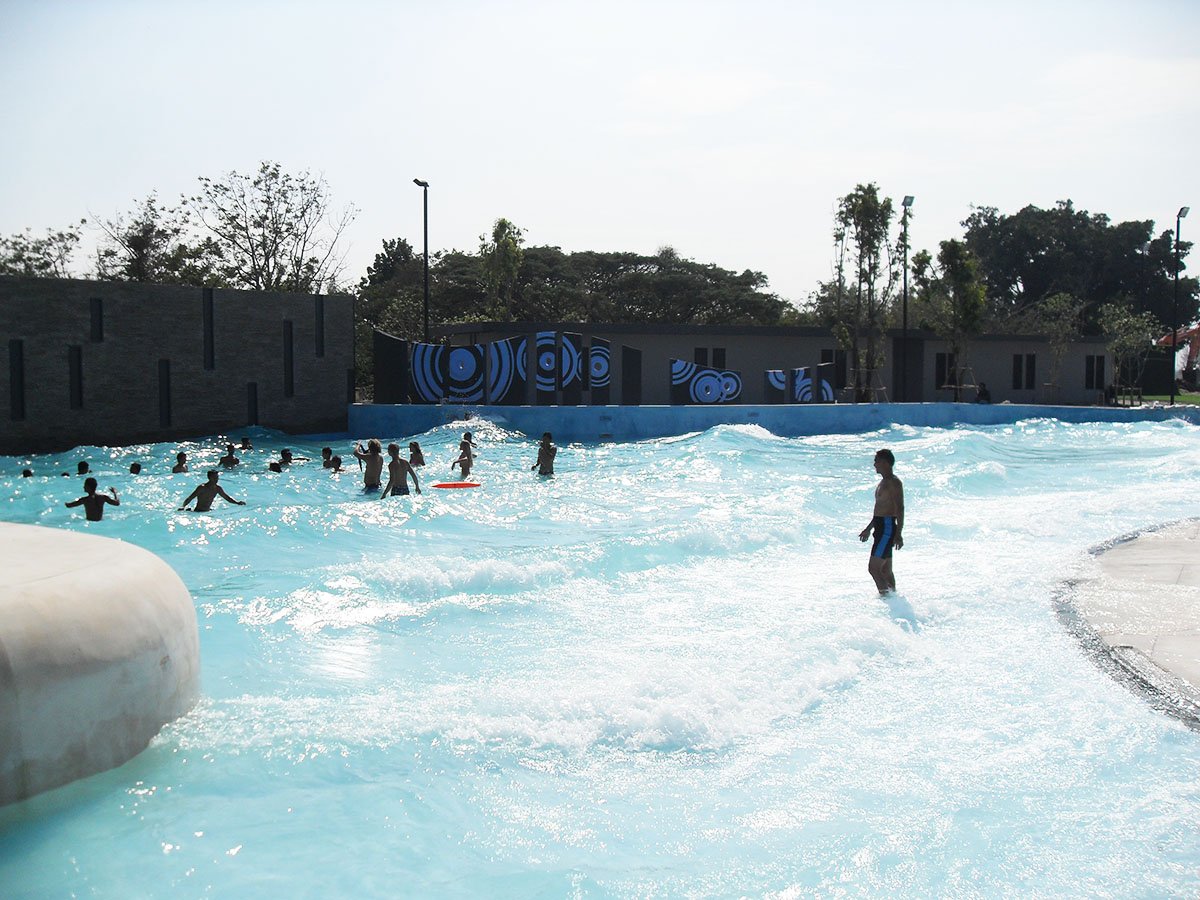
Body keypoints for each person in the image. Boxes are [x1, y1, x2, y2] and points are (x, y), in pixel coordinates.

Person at [859, 448, 905, 595]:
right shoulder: (883, 482)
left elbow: (900, 508)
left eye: (876, 461)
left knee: (874, 568)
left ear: (885, 463)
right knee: (885, 570)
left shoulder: (894, 483)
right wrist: (869, 528)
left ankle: (886, 598)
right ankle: (894, 598)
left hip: (887, 527)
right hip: (881, 526)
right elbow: (879, 510)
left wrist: (898, 534)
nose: (874, 465)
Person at [178, 470, 246, 512]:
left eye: (217, 477)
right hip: (198, 511)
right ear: (210, 478)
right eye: (215, 478)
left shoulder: (217, 488)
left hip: (208, 511)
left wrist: (237, 503)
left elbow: (227, 498)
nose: (217, 479)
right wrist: (183, 506)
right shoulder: (202, 488)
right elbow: (190, 498)